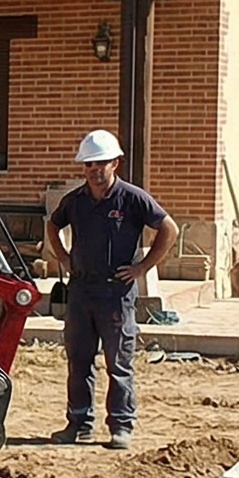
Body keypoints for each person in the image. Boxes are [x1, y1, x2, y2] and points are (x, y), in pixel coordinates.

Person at [43, 129, 180, 450]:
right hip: (81, 292)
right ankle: (79, 424)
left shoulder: (132, 198)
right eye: (89, 164)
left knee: (118, 362)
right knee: (79, 360)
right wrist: (63, 257)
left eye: (101, 163)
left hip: (116, 293)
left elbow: (168, 229)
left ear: (115, 163)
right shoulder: (75, 201)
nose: (95, 169)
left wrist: (142, 268)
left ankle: (121, 426)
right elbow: (53, 223)